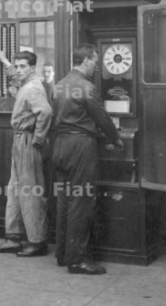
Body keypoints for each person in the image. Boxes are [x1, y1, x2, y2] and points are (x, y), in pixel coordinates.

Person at [51, 43, 123, 275]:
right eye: (94, 62)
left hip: (60, 145)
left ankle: (62, 253)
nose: (96, 66)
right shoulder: (87, 87)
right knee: (81, 202)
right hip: (81, 146)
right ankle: (77, 259)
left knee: (64, 200)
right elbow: (102, 119)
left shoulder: (59, 85)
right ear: (87, 60)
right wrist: (116, 139)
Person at [0, 50, 52, 257]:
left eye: (22, 66)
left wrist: (38, 139)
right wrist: (5, 61)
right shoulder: (25, 83)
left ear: (33, 68)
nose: (17, 70)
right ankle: (13, 238)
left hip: (28, 141)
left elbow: (45, 112)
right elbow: (15, 75)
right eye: (16, 66)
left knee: (31, 192)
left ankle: (37, 241)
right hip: (19, 140)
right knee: (15, 191)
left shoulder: (34, 87)